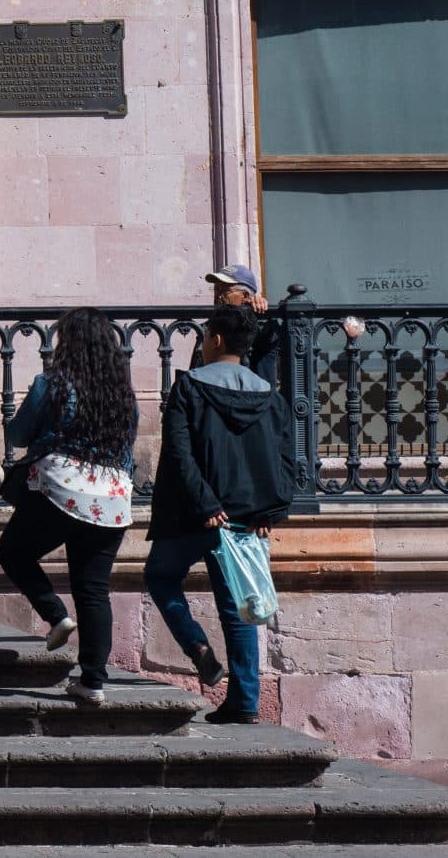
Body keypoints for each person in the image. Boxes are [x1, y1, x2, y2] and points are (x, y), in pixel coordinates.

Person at [144, 303, 295, 724]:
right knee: (239, 607)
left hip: (197, 516)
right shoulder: (268, 394)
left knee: (160, 576)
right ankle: (245, 701)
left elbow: (179, 452)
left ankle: (197, 647)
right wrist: (272, 510)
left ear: (214, 340)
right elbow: (284, 458)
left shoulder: (190, 387)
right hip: (248, 518)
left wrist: (206, 503)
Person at [0, 309, 139, 707]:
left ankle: (55, 614)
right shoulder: (123, 396)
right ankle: (92, 681)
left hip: (62, 492)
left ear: (68, 343)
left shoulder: (52, 385)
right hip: (111, 499)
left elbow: (19, 434)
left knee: (12, 551)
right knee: (94, 590)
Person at [204, 264, 285, 379]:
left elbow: (268, 337)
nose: (218, 296)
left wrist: (261, 313)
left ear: (245, 296)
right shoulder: (208, 327)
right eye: (216, 289)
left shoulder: (260, 325)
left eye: (224, 290)